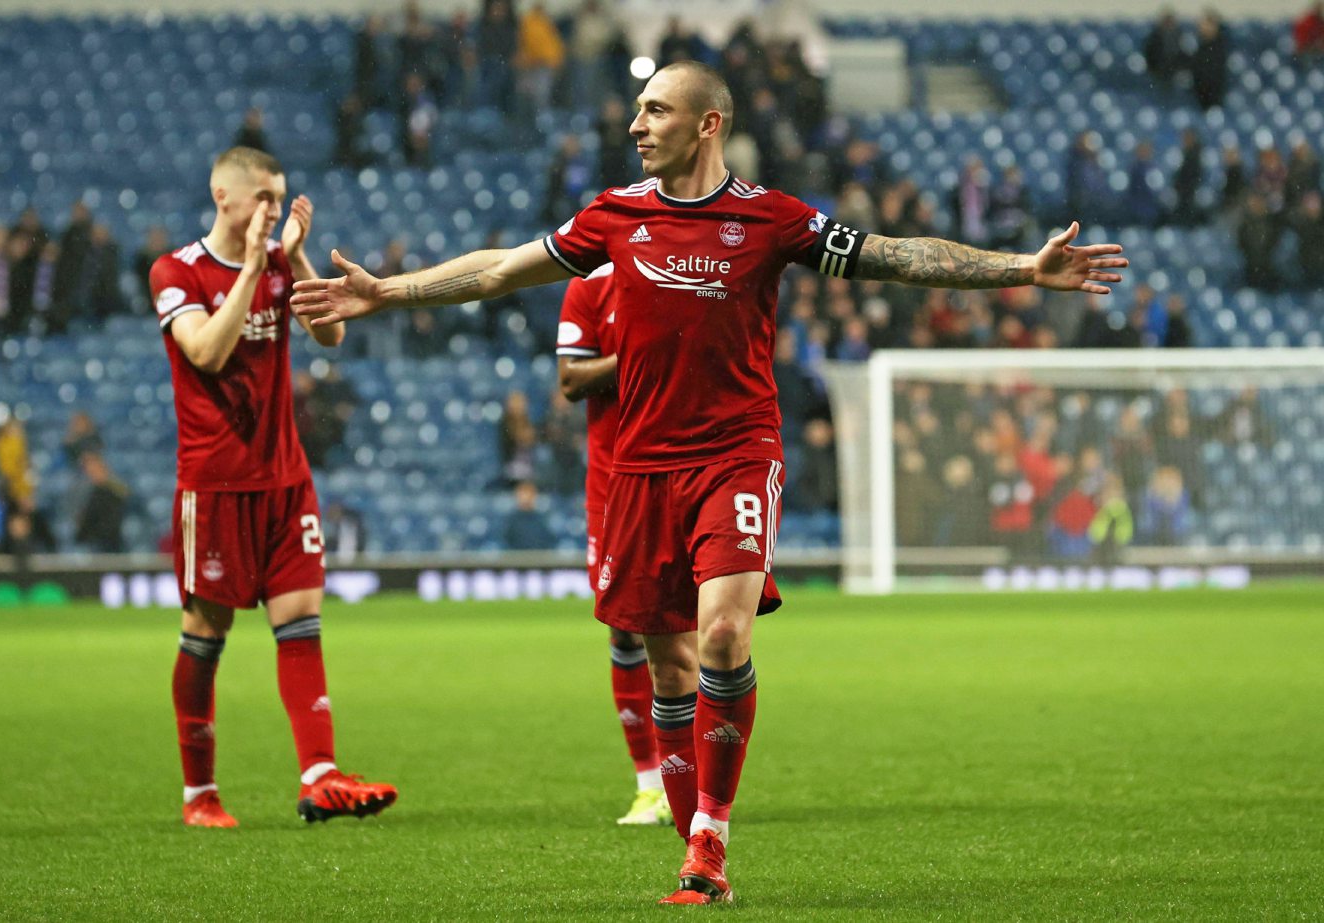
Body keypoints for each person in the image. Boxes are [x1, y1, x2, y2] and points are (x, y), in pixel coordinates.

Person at [291, 60, 1127, 905]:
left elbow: (897, 256)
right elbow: (504, 269)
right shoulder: (615, 217)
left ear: (707, 124)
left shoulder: (770, 219)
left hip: (735, 453)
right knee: (668, 671)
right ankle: (695, 853)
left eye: (656, 110)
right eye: (639, 111)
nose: (636, 125)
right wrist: (385, 291)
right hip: (640, 469)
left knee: (723, 637)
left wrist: (1024, 268)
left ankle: (709, 842)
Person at [149, 146, 396, 829]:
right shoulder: (177, 270)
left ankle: (320, 775)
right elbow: (205, 351)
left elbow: (333, 332)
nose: (272, 209)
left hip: (286, 478)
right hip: (216, 482)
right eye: (261, 196)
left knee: (302, 620)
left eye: (279, 196)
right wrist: (257, 266)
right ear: (221, 196)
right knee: (207, 630)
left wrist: (298, 260)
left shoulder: (282, 264)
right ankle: (199, 793)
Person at [555, 263, 670, 826]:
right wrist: (649, 353)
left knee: (699, 631)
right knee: (625, 627)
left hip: (688, 470)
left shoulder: (693, 273)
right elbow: (572, 381)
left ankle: (692, 782)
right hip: (615, 483)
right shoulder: (591, 285)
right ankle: (650, 784)